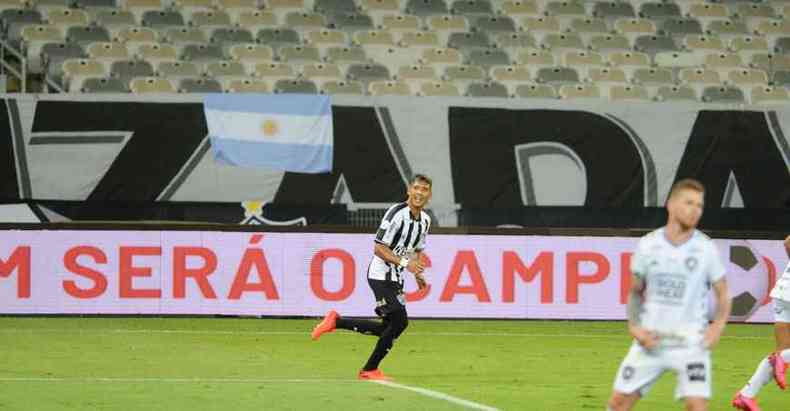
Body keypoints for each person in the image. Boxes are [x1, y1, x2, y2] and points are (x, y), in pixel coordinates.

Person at [607, 178, 732, 411]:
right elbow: (635, 291)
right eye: (689, 203)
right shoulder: (648, 245)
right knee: (618, 403)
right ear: (671, 205)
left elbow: (723, 293)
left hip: (690, 343)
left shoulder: (706, 248)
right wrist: (635, 328)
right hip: (651, 341)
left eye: (700, 205)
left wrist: (717, 327)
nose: (695, 210)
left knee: (697, 406)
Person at [310, 174, 432, 381]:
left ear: (429, 195)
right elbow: (378, 248)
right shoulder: (396, 214)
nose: (420, 193)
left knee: (388, 327)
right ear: (409, 191)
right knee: (400, 322)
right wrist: (406, 264)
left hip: (397, 278)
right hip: (380, 275)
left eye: (425, 189)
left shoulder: (425, 221)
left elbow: (417, 249)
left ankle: (336, 322)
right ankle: (369, 369)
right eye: (417, 188)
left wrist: (418, 274)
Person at [732, 234, 790, 411]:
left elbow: (787, 242)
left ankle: (746, 395)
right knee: (783, 356)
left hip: (782, 293)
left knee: (783, 353)